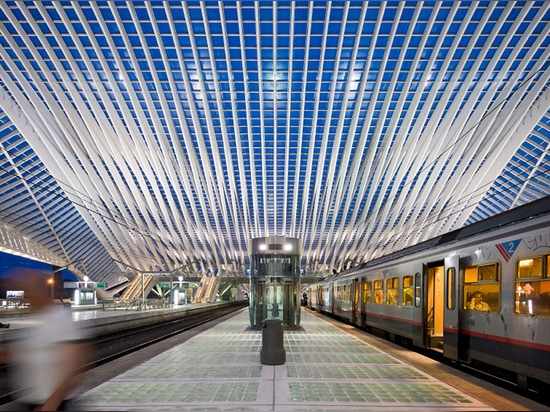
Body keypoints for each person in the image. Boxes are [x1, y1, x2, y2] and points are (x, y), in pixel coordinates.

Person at [4, 269, 89, 411]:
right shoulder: (34, 320)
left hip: (54, 403)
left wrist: (52, 403)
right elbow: (29, 353)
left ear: (37, 292)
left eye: (27, 292)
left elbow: (75, 365)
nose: (23, 298)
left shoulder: (60, 319)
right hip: (31, 400)